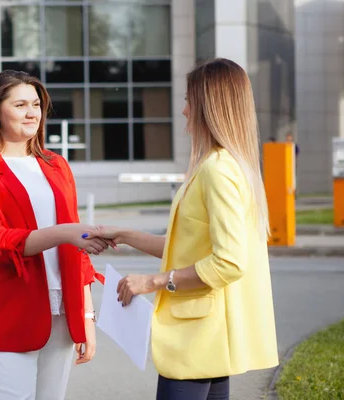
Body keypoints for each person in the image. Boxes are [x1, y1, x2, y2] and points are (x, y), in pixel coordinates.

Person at [85, 58, 279, 399]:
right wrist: (126, 235)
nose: (185, 111)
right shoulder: (229, 166)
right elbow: (189, 246)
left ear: (208, 107)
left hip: (198, 337)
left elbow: (230, 262)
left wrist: (153, 281)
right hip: (208, 338)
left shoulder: (217, 171)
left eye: (189, 101)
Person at [0, 70, 109, 400]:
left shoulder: (56, 165)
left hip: (62, 313)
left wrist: (86, 317)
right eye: (20, 104)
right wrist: (64, 233)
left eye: (36, 104)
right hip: (8, 312)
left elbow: (76, 254)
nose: (31, 113)